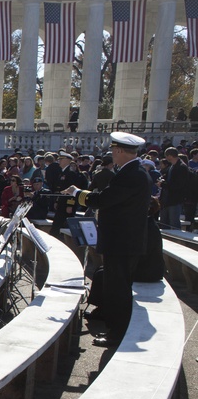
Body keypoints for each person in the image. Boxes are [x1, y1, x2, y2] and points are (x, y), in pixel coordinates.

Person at [63, 132, 151, 348]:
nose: (112, 154)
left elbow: (103, 200)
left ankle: (117, 334)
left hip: (121, 243)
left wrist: (78, 193)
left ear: (120, 151)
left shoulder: (131, 174)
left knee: (118, 290)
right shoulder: (134, 172)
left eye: (114, 150)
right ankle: (116, 329)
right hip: (124, 241)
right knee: (117, 287)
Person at [159, 147, 188, 229]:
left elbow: (178, 185)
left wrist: (162, 185)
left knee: (173, 223)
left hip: (175, 200)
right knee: (164, 223)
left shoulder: (181, 167)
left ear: (169, 156)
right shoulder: (172, 166)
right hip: (166, 199)